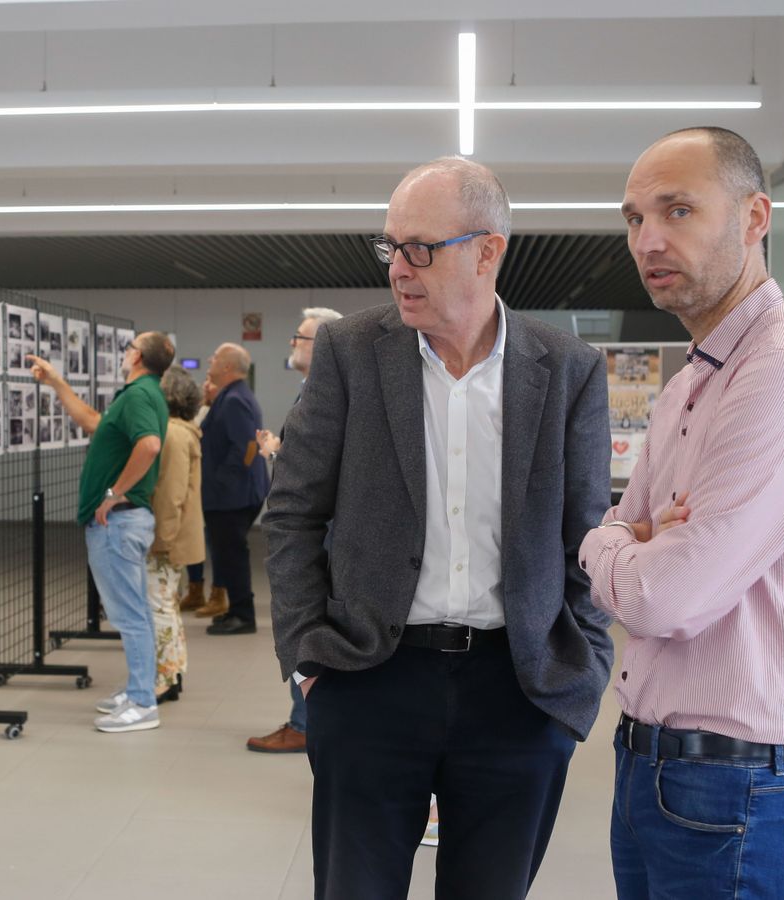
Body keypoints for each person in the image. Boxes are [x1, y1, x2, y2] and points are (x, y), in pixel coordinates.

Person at [264, 157, 613, 899]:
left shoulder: (568, 369)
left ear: (489, 251)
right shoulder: (351, 353)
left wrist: (577, 677)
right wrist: (306, 660)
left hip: (518, 690)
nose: (398, 269)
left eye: (420, 248)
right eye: (390, 247)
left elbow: (586, 538)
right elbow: (292, 512)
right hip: (368, 681)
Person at [578, 127, 784, 899]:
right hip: (651, 767)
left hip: (734, 791)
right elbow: (628, 527)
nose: (649, 240)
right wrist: (628, 540)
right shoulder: (691, 381)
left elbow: (668, 597)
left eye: (678, 210)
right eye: (635, 218)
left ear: (754, 218)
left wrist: (607, 548)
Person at [28, 331, 174, 734]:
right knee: (134, 611)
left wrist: (113, 493)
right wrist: (57, 383)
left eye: (129, 347)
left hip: (120, 522)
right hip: (124, 522)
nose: (124, 352)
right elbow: (92, 422)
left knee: (130, 615)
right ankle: (137, 690)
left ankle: (143, 702)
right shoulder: (137, 395)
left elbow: (148, 446)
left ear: (139, 356)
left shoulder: (141, 395)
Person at [247, 305, 342, 755]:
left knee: (309, 623)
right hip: (315, 534)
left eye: (300, 337)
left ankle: (306, 724)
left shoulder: (326, 395)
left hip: (322, 537)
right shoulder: (313, 393)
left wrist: (275, 453)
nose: (292, 344)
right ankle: (306, 720)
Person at [196, 343, 269, 636]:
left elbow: (248, 447)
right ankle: (235, 610)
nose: (209, 361)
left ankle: (243, 615)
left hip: (232, 496)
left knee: (232, 553)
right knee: (228, 553)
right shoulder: (230, 396)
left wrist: (221, 481)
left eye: (214, 357)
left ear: (227, 367)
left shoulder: (234, 399)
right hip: (231, 493)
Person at [147, 367, 204, 704]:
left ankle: (166, 677)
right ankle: (173, 671)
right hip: (178, 534)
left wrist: (161, 539)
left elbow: (170, 494)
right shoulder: (186, 431)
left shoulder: (171, 434)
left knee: (159, 607)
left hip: (169, 537)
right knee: (166, 605)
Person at [179, 374, 222, 613]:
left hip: (209, 486)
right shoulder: (198, 414)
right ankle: (195, 589)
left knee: (211, 542)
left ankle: (218, 592)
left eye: (211, 382)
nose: (206, 385)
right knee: (194, 538)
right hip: (197, 485)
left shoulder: (223, 411)